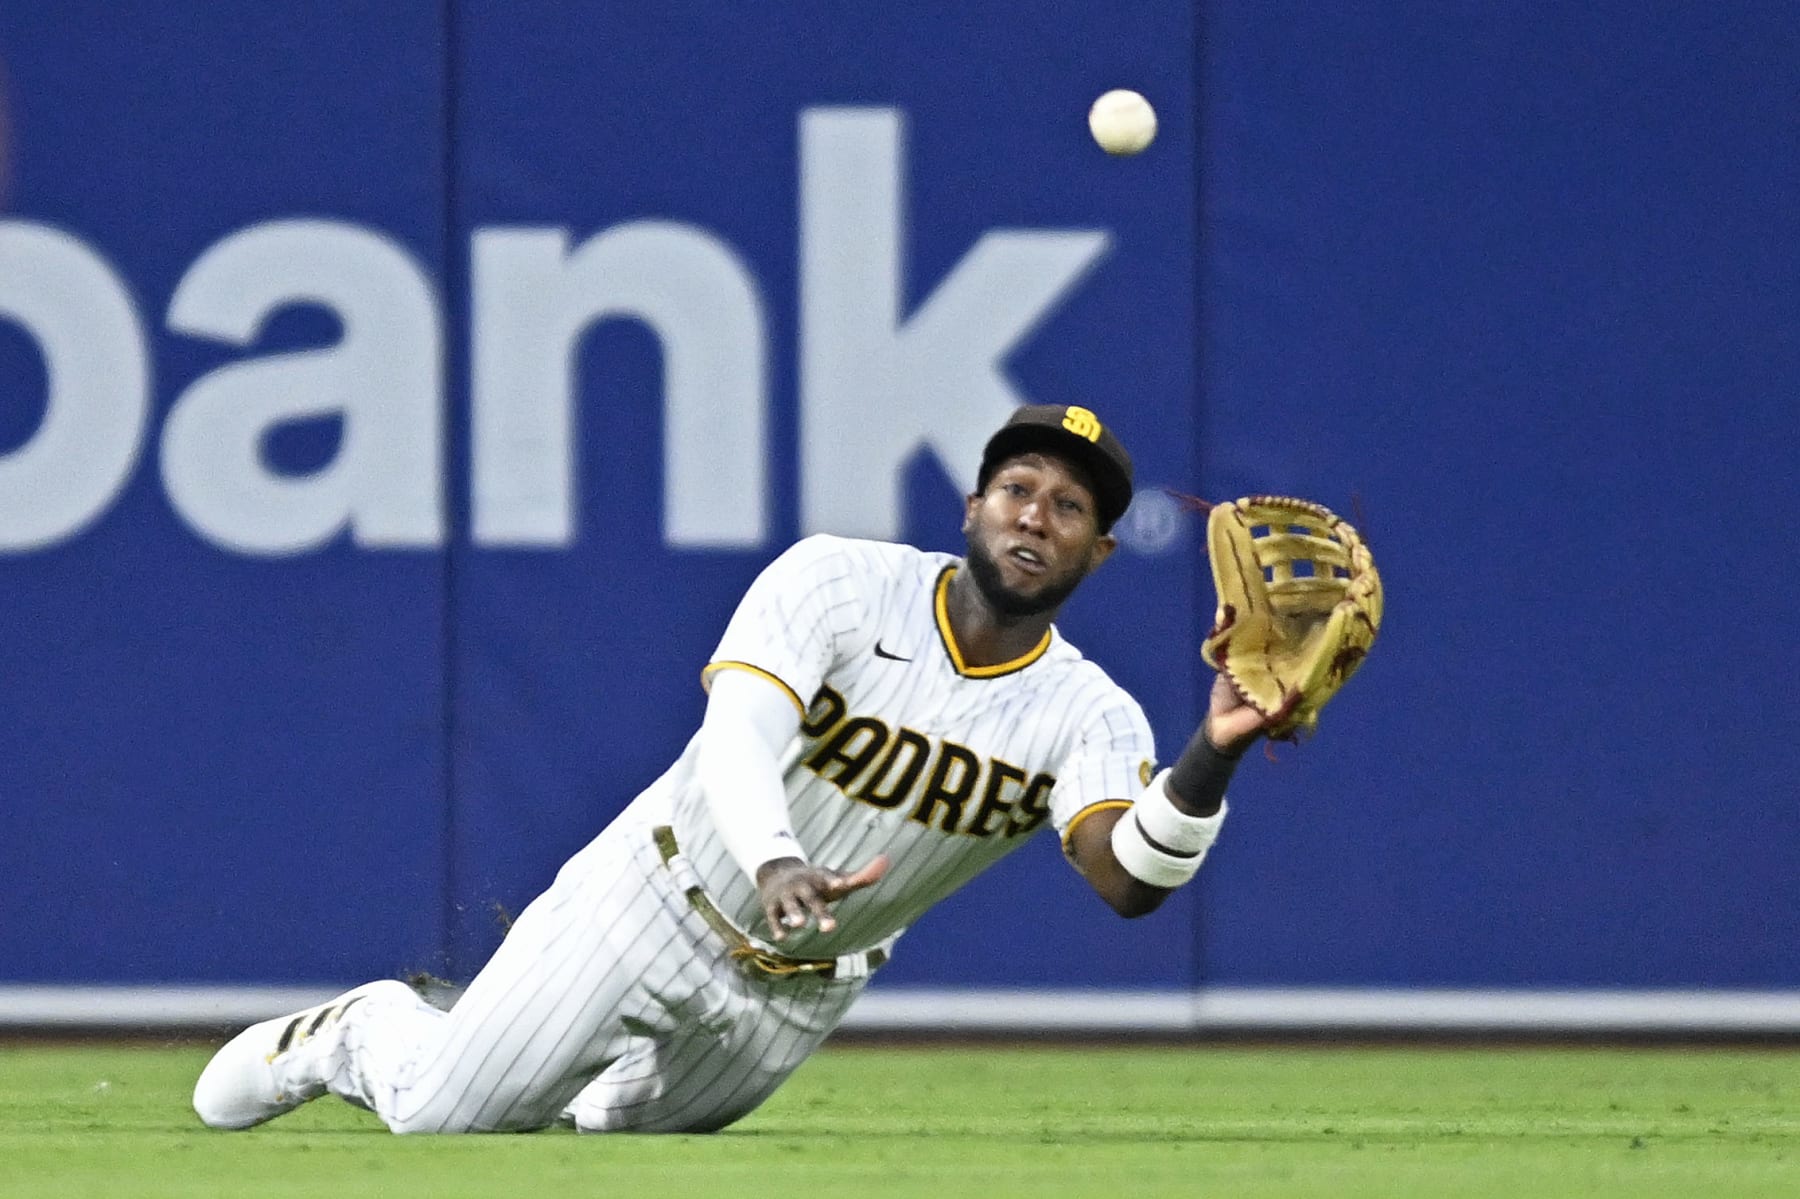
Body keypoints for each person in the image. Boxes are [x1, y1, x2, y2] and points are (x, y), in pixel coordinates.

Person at [193, 403, 1275, 1135]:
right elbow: (741, 733)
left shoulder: (1088, 709)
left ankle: (543, 1051)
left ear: (1097, 552)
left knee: (598, 1145)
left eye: (1070, 506)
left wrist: (1212, 749)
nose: (1037, 513)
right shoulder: (839, 582)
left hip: (793, 996)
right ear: (972, 507)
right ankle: (363, 1028)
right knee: (447, 1114)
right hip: (657, 897)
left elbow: (1125, 876)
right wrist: (773, 856)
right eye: (1017, 486)